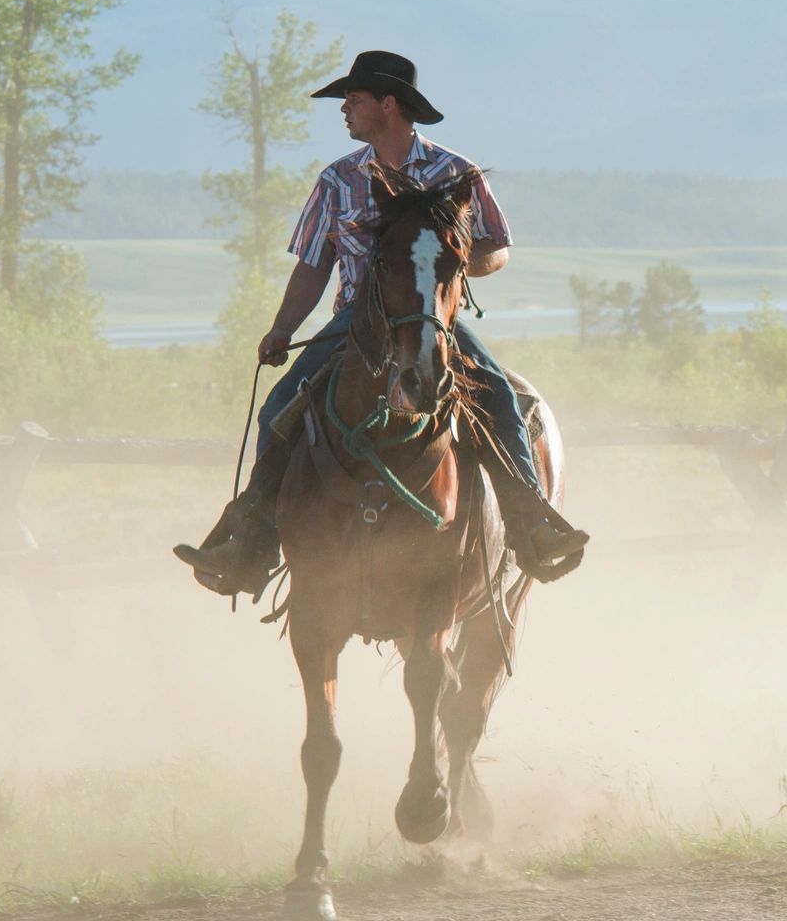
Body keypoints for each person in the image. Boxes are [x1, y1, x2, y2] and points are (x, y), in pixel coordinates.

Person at [174, 50, 588, 597]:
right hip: (355, 323)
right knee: (280, 408)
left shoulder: (454, 174)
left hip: (430, 322)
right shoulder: (337, 181)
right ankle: (253, 538)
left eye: (355, 99)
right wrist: (281, 329)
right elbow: (314, 265)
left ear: (388, 105)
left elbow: (499, 248)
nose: (344, 109)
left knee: (499, 396)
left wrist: (451, 265)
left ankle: (530, 522)